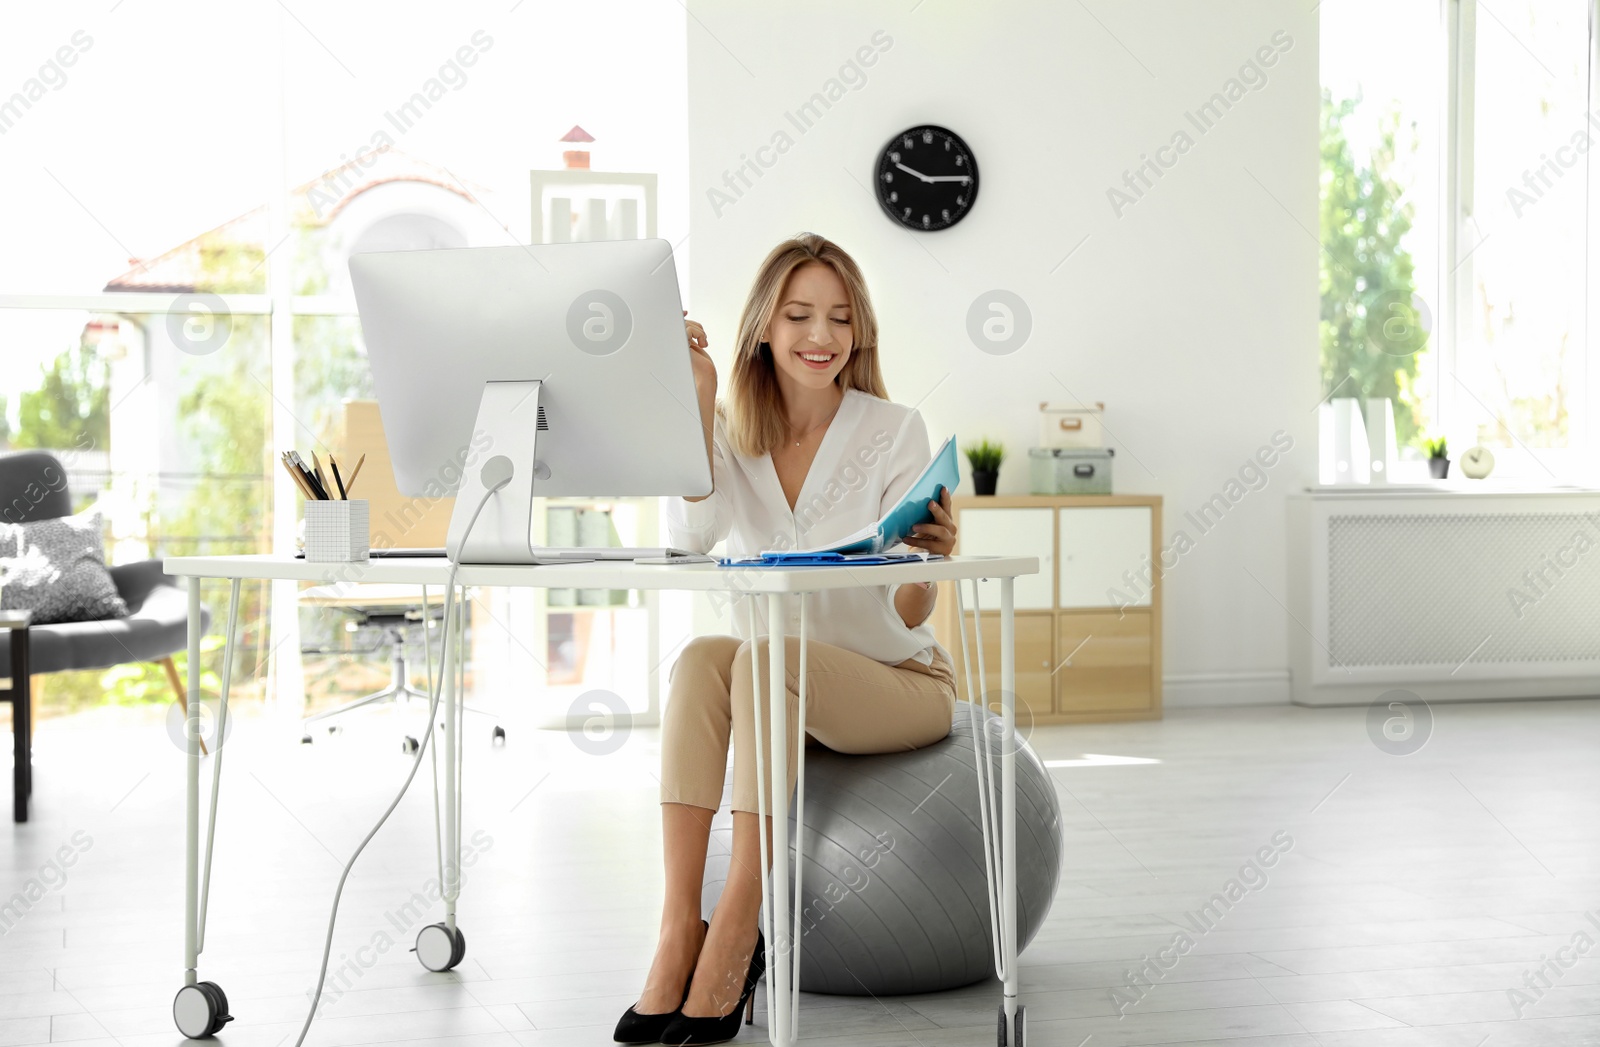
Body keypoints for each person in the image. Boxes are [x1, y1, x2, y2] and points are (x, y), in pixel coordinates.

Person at [615, 232, 959, 1045]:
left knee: (765, 659)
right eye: (799, 314)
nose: (821, 335)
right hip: (778, 681)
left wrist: (935, 556)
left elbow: (910, 613)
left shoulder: (894, 429)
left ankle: (739, 922)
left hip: (897, 682)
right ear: (764, 327)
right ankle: (677, 928)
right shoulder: (737, 431)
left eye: (840, 317)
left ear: (858, 330)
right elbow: (693, 535)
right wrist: (696, 394)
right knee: (704, 656)